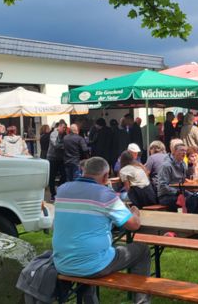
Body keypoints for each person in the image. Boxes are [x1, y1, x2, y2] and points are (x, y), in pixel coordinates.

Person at [52, 157, 151, 304]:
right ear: (106, 177)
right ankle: (142, 302)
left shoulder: (62, 190)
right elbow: (133, 225)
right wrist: (135, 212)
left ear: (83, 171)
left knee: (90, 250)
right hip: (93, 265)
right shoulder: (105, 195)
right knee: (142, 250)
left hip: (62, 262)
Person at [157, 143, 189, 212]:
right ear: (174, 152)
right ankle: (188, 220)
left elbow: (183, 182)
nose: (184, 153)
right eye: (182, 150)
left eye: (185, 151)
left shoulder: (183, 164)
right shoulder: (166, 165)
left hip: (179, 193)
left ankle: (193, 220)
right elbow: (163, 186)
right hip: (166, 196)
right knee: (190, 200)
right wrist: (177, 192)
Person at [47, 121, 67, 201]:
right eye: (63, 128)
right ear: (59, 127)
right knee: (52, 176)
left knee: (64, 175)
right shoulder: (53, 134)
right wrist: (66, 145)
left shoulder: (64, 134)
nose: (64, 129)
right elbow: (56, 145)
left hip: (61, 158)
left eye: (65, 128)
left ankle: (59, 189)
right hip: (52, 158)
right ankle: (53, 194)